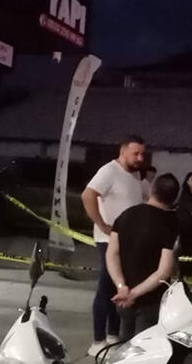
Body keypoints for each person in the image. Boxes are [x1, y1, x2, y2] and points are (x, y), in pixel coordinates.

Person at [81, 134, 146, 355]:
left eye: (142, 154)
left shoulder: (135, 175)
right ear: (123, 150)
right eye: (136, 153)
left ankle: (112, 335)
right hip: (108, 241)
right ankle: (98, 341)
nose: (140, 158)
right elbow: (87, 195)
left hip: (128, 242)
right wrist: (102, 224)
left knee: (119, 288)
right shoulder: (109, 171)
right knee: (106, 287)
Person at [106, 174, 180, 341]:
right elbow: (163, 271)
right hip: (150, 300)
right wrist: (133, 294)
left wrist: (121, 286)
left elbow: (112, 253)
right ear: (174, 198)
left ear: (152, 190)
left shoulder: (127, 214)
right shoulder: (170, 224)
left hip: (122, 296)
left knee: (125, 344)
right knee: (144, 348)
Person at [176, 172, 192, 276]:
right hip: (186, 226)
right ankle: (185, 272)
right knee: (186, 250)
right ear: (187, 182)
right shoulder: (185, 195)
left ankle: (190, 271)